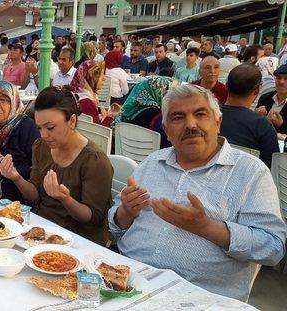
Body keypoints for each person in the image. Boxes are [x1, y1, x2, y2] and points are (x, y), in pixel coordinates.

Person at [108, 83, 286, 302]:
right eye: (178, 117)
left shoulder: (250, 172)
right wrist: (125, 211)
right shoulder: (153, 161)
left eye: (200, 114)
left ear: (218, 122)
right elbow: (114, 228)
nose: (190, 125)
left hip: (194, 297)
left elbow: (273, 247)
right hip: (123, 279)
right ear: (166, 130)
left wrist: (205, 227)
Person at [0, 86, 114, 245]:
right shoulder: (41, 147)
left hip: (77, 239)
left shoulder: (94, 161)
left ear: (72, 121)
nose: (44, 135)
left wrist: (65, 199)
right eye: (39, 128)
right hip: (41, 229)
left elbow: (92, 218)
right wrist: (16, 177)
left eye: (50, 127)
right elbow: (35, 196)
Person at [219, 65, 279, 167]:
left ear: (226, 86)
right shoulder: (262, 125)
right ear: (257, 90)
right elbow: (271, 167)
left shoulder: (208, 115)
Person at [112, 76, 176, 148]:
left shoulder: (128, 111)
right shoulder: (158, 118)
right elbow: (170, 144)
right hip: (151, 157)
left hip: (125, 154)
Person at [70, 60, 118, 126]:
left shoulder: (78, 94)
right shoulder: (87, 103)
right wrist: (110, 116)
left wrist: (101, 112)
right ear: (91, 78)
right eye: (101, 75)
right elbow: (99, 133)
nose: (104, 78)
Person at [257, 64, 287, 134]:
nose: (281, 82)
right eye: (279, 78)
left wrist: (281, 124)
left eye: (286, 78)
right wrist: (258, 116)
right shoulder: (265, 98)